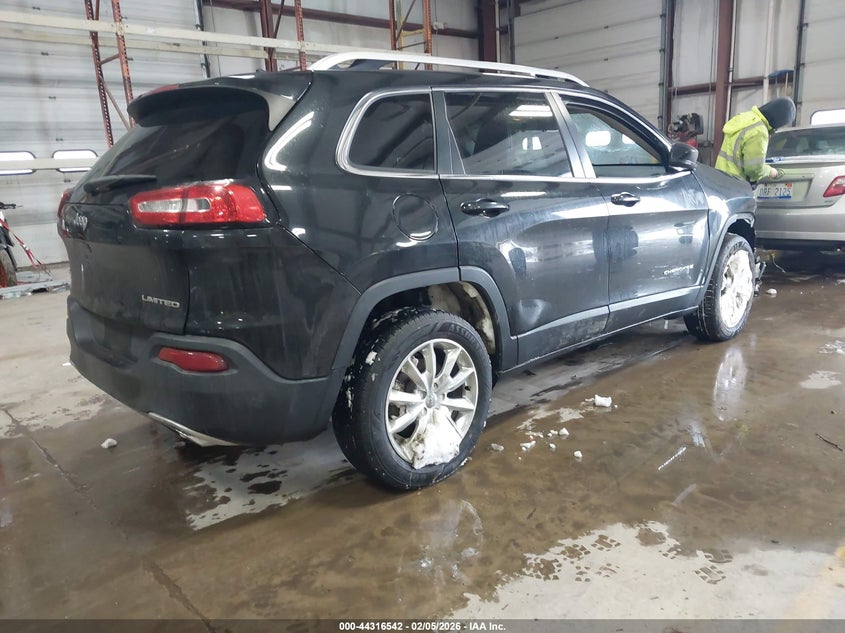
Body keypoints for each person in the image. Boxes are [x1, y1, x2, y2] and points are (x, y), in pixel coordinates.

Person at [715, 96, 796, 185]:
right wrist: (770, 171)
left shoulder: (746, 117)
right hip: (736, 185)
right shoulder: (759, 131)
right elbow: (754, 170)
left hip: (720, 177)